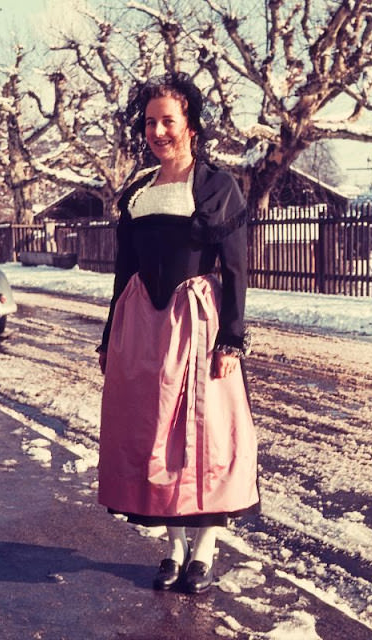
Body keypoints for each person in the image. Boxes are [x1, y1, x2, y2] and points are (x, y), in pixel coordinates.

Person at [97, 72, 259, 595]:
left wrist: (231, 338)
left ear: (190, 124)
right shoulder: (139, 191)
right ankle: (172, 547)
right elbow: (123, 274)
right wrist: (109, 337)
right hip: (144, 328)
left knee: (205, 437)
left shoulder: (217, 187)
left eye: (169, 120)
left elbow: (235, 268)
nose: (158, 131)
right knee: (154, 435)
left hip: (198, 324)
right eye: (150, 122)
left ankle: (205, 549)